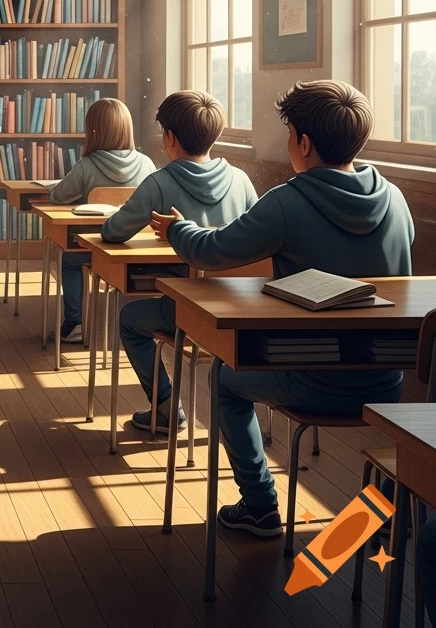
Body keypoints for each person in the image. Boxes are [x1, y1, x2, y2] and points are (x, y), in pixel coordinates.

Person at [152, 80, 413, 537]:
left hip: (314, 380)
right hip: (390, 384)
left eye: (290, 133)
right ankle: (389, 506)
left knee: (224, 380)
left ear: (304, 143)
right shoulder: (395, 198)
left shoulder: (289, 202)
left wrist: (178, 230)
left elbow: (213, 252)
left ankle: (260, 505)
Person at [111, 90, 258, 433]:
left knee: (130, 318)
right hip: (240, 309)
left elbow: (115, 230)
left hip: (188, 310)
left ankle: (166, 407)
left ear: (169, 137)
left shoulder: (159, 182)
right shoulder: (241, 180)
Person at [47, 98, 155, 342]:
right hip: (138, 247)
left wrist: (56, 186)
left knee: (70, 260)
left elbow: (58, 196)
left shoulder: (87, 165)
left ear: (93, 130)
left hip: (96, 246)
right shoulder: (147, 163)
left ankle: (74, 323)